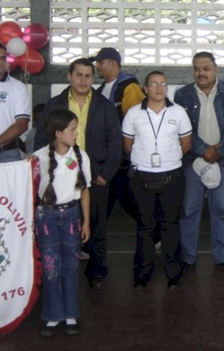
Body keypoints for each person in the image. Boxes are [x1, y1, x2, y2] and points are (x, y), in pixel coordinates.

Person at [34, 58, 122, 291]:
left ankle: (96, 271)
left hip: (95, 177)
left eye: (88, 75)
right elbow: (42, 140)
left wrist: (105, 173)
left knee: (96, 224)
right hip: (61, 178)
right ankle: (57, 271)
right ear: (69, 77)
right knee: (59, 227)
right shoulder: (55, 104)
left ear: (94, 78)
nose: (84, 80)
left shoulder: (104, 105)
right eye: (79, 75)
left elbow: (115, 142)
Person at [174, 51, 224, 270]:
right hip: (193, 161)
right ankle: (187, 256)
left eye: (205, 68)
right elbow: (182, 128)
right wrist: (204, 150)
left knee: (222, 209)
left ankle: (223, 256)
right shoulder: (182, 94)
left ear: (215, 69)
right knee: (189, 210)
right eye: (196, 68)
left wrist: (218, 152)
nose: (200, 73)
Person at [122, 71, 192, 288]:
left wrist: (168, 160)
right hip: (141, 176)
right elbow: (127, 145)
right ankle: (142, 274)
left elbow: (186, 144)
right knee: (145, 226)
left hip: (172, 175)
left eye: (163, 83)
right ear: (145, 88)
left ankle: (173, 274)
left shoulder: (178, 112)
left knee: (170, 225)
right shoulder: (134, 113)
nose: (159, 88)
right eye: (154, 84)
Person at [34, 109, 91, 337]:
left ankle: (70, 314)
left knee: (70, 266)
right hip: (46, 217)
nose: (76, 133)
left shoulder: (80, 156)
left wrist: (85, 222)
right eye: (72, 129)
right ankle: (53, 315)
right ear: (58, 133)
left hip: (71, 216)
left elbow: (84, 191)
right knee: (50, 267)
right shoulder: (38, 157)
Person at [89, 47, 145, 222]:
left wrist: (128, 151)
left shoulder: (130, 87)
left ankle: (154, 233)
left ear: (114, 63)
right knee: (109, 197)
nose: (98, 67)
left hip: (122, 156)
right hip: (106, 155)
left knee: (125, 196)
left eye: (101, 62)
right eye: (97, 63)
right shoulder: (99, 90)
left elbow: (136, 122)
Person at [0, 43, 30, 163]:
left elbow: (22, 124)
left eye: (3, 58)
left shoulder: (18, 87)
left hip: (8, 153)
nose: (1, 62)